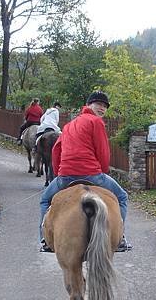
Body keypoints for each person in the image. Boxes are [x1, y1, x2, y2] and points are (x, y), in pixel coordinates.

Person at [38, 91, 132, 253]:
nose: (102, 108)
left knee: (45, 200)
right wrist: (102, 171)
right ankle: (120, 238)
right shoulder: (96, 122)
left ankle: (45, 240)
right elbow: (103, 151)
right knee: (122, 196)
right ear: (88, 105)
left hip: (65, 176)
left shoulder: (68, 126)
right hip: (92, 174)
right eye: (98, 105)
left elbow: (56, 150)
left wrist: (60, 173)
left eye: (104, 106)